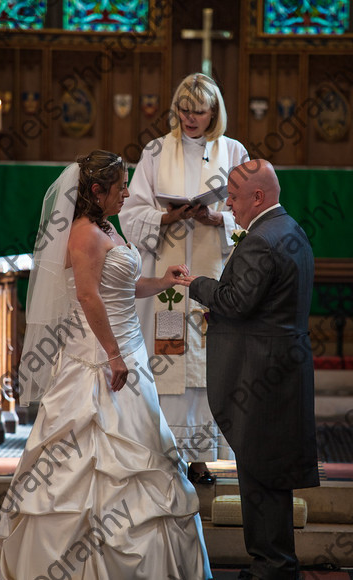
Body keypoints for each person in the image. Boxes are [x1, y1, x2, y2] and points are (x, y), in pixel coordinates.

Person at [0, 150, 212, 580]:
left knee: (145, 455)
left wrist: (164, 281)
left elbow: (124, 287)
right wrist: (112, 354)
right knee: (86, 464)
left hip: (128, 353)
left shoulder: (109, 226)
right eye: (120, 185)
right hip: (97, 361)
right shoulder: (85, 234)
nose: (128, 191)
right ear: (95, 191)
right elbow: (89, 297)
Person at [181, 159, 320, 580]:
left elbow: (236, 300)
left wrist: (195, 284)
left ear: (257, 197)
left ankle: (272, 567)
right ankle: (272, 564)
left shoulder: (261, 239)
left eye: (235, 198)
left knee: (262, 476)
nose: (229, 205)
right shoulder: (288, 229)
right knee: (268, 473)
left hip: (261, 375)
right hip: (280, 370)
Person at [120, 73, 249, 483]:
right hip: (168, 286)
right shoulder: (156, 151)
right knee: (168, 359)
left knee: (206, 366)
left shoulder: (233, 151)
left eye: (198, 111)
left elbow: (248, 212)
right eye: (183, 109)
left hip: (213, 281)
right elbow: (129, 211)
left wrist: (218, 218)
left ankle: (198, 459)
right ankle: (165, 453)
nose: (189, 117)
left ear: (215, 113)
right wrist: (167, 215)